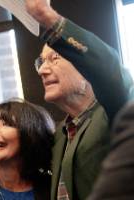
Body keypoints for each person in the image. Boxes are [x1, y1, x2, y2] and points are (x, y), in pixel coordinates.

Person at [25, 0, 134, 200]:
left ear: (86, 69)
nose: (42, 70)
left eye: (55, 58)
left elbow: (109, 68)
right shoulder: (59, 135)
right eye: (41, 62)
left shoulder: (115, 112)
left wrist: (48, 17)